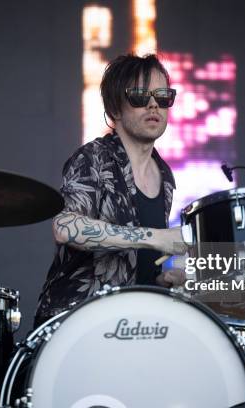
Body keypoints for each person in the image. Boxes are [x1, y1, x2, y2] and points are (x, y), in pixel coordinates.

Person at [34, 54, 188, 327]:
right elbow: (66, 226)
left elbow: (136, 262)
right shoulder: (93, 157)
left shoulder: (164, 174)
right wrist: (155, 237)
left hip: (131, 324)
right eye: (140, 96)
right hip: (75, 323)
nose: (154, 104)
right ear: (115, 107)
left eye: (163, 96)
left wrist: (164, 282)